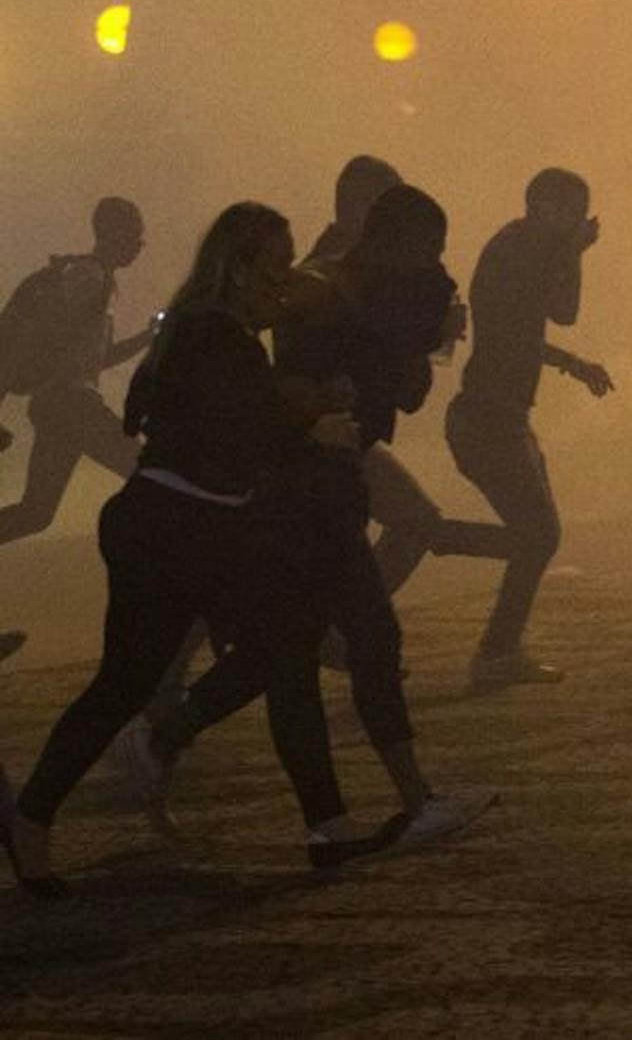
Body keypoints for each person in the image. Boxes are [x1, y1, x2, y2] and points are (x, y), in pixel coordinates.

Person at [3, 203, 404, 897]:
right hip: (168, 528)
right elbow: (236, 424)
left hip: (196, 523)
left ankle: (324, 822)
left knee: (284, 643)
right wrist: (309, 423)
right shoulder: (210, 330)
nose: (280, 285)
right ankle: (35, 815)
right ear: (240, 266)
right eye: (273, 270)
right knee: (126, 682)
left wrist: (297, 406)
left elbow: (147, 408)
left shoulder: (200, 326)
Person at [137, 186, 494, 847]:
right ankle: (412, 800)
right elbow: (261, 313)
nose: (434, 267)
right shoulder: (326, 285)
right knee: (367, 636)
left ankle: (309, 814)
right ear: (398, 244)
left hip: (325, 485)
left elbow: (401, 395)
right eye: (429, 252)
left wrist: (425, 341)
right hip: (300, 492)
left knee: (285, 652)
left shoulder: (377, 298)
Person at [306, 156, 509, 623]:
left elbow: (403, 387)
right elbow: (370, 363)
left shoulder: (362, 271)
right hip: (321, 438)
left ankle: (344, 623)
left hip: (347, 435)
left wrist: (427, 333)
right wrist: (426, 332)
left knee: (412, 524)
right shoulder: (329, 272)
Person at [448, 169, 613, 691]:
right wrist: (575, 252)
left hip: (500, 416)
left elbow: (524, 330)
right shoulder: (521, 248)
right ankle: (431, 536)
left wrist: (573, 365)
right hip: (488, 417)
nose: (576, 221)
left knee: (538, 535)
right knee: (538, 535)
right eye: (569, 208)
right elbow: (563, 311)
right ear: (541, 204)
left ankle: (498, 650)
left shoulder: (522, 247)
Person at [0, 196, 155, 551]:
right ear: (114, 234)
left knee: (36, 513)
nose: (139, 246)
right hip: (72, 405)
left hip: (57, 405)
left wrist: (148, 337)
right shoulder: (89, 277)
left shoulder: (100, 283)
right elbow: (37, 334)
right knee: (149, 473)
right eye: (136, 236)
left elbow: (94, 361)